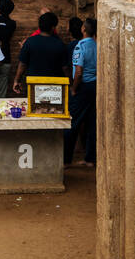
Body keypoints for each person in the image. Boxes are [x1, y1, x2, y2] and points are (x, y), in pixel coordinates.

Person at [64, 17, 98, 167]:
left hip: (83, 86)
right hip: (95, 85)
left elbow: (78, 72)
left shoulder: (80, 46)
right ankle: (90, 158)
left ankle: (65, 160)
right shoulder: (97, 45)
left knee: (72, 122)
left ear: (83, 29)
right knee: (92, 122)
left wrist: (74, 88)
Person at [13, 11, 68, 92]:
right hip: (55, 87)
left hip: (34, 85)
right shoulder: (60, 44)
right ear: (53, 27)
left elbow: (22, 64)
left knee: (34, 105)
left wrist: (17, 81)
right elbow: (65, 68)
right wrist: (71, 83)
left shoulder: (29, 42)